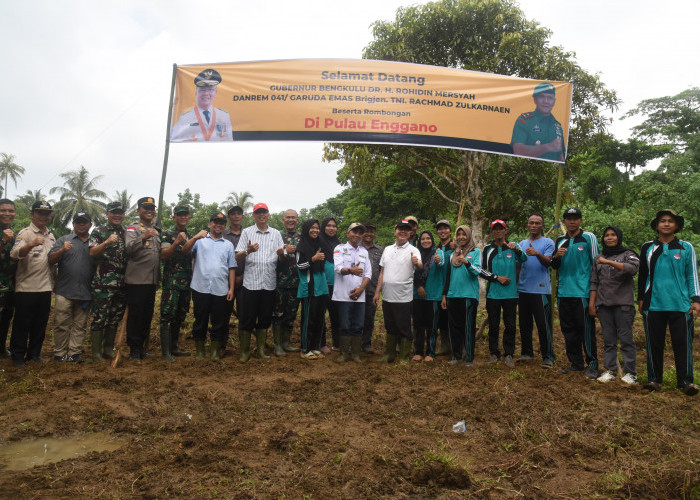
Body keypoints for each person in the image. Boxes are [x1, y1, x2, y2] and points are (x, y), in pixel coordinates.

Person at [638, 209, 700, 395]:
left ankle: (686, 381)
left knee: (683, 343)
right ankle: (654, 379)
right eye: (662, 221)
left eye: (670, 221)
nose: (666, 224)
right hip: (653, 303)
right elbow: (643, 275)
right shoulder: (647, 247)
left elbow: (692, 275)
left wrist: (696, 300)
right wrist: (641, 299)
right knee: (653, 343)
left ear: (676, 226)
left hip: (680, 304)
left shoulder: (685, 247)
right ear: (657, 225)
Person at [551, 207, 600, 379]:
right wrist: (556, 256)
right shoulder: (560, 241)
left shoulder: (588, 238)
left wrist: (595, 293)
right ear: (564, 221)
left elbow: (597, 265)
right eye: (568, 218)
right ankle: (576, 363)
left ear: (580, 220)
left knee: (585, 329)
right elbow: (554, 266)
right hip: (564, 292)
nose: (572, 221)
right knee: (568, 330)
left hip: (583, 292)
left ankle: (592, 364)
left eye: (575, 218)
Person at [589, 226, 639, 384]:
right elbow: (594, 281)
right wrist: (592, 303)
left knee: (626, 340)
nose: (609, 238)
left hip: (623, 305)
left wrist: (609, 262)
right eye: (606, 235)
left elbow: (632, 269)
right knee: (608, 340)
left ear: (619, 237)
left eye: (613, 235)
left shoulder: (628, 254)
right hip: (604, 305)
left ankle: (631, 373)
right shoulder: (598, 257)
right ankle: (610, 370)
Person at [9, 201, 56, 367]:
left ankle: (34, 354)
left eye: (46, 213)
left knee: (40, 324)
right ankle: (18, 356)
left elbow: (52, 261)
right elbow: (15, 254)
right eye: (40, 213)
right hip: (26, 288)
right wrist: (31, 244)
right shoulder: (25, 233)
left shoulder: (50, 235)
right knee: (22, 324)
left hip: (45, 288)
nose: (43, 216)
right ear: (32, 215)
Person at [235, 203, 284, 361]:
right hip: (251, 283)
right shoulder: (247, 232)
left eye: (264, 212)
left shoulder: (276, 234)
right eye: (258, 213)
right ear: (253, 216)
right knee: (247, 318)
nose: (262, 215)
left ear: (269, 215)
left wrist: (281, 254)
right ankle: (244, 352)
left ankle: (261, 351)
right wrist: (249, 250)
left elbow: (282, 258)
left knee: (264, 319)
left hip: (269, 283)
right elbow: (237, 256)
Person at [441, 225, 496, 365]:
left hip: (468, 295)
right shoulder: (453, 253)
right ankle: (456, 356)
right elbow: (448, 275)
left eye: (464, 234)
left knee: (468, 327)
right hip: (453, 295)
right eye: (458, 234)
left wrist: (466, 262)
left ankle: (469, 358)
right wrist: (445, 295)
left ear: (469, 235)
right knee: (454, 327)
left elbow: (477, 271)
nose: (461, 237)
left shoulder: (476, 252)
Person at [48, 212, 95, 363]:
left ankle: (74, 353)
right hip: (64, 290)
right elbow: (50, 259)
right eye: (78, 222)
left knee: (80, 325)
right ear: (73, 224)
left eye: (84, 222)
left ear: (90, 224)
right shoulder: (64, 240)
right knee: (61, 324)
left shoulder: (95, 242)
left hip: (86, 291)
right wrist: (62, 250)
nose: (81, 225)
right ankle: (60, 353)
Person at [374, 220, 422, 363]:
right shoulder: (388, 249)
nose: (403, 232)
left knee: (404, 326)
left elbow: (419, 266)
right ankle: (389, 354)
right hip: (387, 296)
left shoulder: (414, 250)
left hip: (403, 297)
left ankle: (404, 356)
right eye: (400, 229)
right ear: (395, 231)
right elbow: (382, 272)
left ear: (410, 233)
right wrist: (377, 292)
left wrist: (416, 262)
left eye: (406, 230)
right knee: (390, 326)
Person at [190, 212, 236, 359]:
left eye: (222, 223)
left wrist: (231, 288)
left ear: (224, 226)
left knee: (218, 321)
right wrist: (195, 237)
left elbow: (232, 268)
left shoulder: (228, 245)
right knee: (200, 319)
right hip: (200, 287)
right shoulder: (200, 241)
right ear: (210, 224)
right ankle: (200, 350)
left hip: (220, 288)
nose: (218, 225)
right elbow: (186, 251)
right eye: (215, 222)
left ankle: (215, 350)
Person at [482, 220, 527, 367]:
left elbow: (524, 258)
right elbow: (482, 271)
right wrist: (497, 278)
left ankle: (509, 354)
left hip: (511, 294)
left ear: (505, 231)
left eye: (501, 229)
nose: (498, 231)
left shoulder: (513, 246)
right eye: (495, 229)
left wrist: (516, 250)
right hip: (493, 294)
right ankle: (494, 353)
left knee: (510, 325)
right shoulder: (488, 249)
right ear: (492, 232)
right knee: (494, 325)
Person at [159, 205, 201, 361]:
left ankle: (174, 347)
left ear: (189, 218)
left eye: (185, 215)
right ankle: (165, 353)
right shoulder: (167, 234)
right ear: (174, 217)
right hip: (172, 282)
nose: (183, 217)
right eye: (179, 215)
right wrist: (176, 242)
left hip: (187, 282)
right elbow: (164, 255)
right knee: (167, 315)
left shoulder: (191, 235)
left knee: (180, 315)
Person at [89, 201, 128, 362]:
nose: (117, 215)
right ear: (107, 214)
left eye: (120, 212)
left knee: (114, 318)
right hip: (103, 284)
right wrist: (106, 242)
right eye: (114, 212)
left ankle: (107, 349)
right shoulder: (99, 231)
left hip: (121, 284)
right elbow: (92, 252)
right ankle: (96, 354)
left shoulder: (127, 233)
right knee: (100, 317)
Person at [124, 197, 161, 361]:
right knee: (135, 316)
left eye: (152, 208)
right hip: (137, 281)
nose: (149, 211)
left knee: (147, 316)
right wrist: (144, 237)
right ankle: (134, 349)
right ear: (138, 210)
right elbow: (129, 249)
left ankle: (142, 348)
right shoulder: (133, 228)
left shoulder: (157, 230)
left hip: (151, 281)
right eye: (146, 207)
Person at [518, 213, 556, 368]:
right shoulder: (522, 243)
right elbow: (518, 265)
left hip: (541, 290)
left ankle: (548, 356)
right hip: (523, 289)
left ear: (542, 226)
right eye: (531, 223)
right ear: (527, 226)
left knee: (543, 324)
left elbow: (548, 263)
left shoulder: (548, 242)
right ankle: (527, 352)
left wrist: (537, 253)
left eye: (537, 223)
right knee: (524, 323)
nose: (534, 225)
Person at [333, 222, 372, 362]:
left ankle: (356, 354)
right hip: (343, 295)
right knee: (344, 325)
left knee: (358, 325)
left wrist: (361, 289)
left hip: (359, 296)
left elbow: (368, 274)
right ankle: (343, 354)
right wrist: (351, 270)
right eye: (354, 231)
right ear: (347, 233)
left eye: (360, 232)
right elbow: (338, 268)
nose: (357, 235)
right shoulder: (339, 248)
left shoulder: (364, 252)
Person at [296, 219, 330, 359]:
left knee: (319, 318)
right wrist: (313, 259)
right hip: (309, 287)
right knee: (308, 319)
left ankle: (315, 347)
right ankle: (305, 349)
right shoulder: (301, 246)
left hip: (321, 286)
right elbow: (300, 266)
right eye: (312, 228)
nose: (315, 230)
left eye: (317, 228)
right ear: (306, 229)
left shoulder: (320, 244)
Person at [170, 68, 233, 142]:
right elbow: (175, 139)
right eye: (202, 90)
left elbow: (229, 141)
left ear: (215, 93)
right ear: (196, 93)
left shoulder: (224, 116)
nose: (206, 94)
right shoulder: (184, 118)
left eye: (210, 90)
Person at [271, 209, 301, 356]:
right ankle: (277, 345)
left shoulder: (303, 237)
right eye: (288, 217)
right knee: (278, 314)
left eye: (293, 218)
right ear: (283, 220)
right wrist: (285, 252)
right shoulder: (277, 236)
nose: (291, 220)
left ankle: (286, 342)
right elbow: (275, 257)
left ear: (297, 220)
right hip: (279, 283)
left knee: (291, 314)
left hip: (296, 283)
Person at [511, 82, 565, 162]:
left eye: (550, 98)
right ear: (535, 99)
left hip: (552, 172)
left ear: (554, 101)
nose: (546, 101)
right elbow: (518, 150)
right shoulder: (524, 120)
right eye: (542, 97)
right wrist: (548, 147)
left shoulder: (557, 126)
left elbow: (561, 155)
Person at [412, 231, 444, 362]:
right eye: (423, 239)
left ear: (432, 239)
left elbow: (441, 263)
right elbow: (411, 271)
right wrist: (419, 286)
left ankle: (431, 352)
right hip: (417, 294)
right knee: (418, 324)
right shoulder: (415, 253)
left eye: (428, 238)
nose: (426, 241)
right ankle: (418, 351)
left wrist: (438, 260)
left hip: (433, 294)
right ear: (420, 241)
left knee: (432, 326)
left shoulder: (438, 252)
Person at [222, 205, 245, 352]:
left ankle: (243, 347)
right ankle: (221, 346)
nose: (236, 216)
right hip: (224, 282)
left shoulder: (249, 233)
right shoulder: (222, 234)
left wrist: (241, 277)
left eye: (239, 214)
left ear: (242, 216)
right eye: (233, 214)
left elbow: (254, 258)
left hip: (245, 281)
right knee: (223, 315)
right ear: (228, 217)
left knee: (245, 314)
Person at [319, 217, 341, 353]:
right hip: (322, 284)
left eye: (334, 226)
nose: (331, 228)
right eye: (328, 225)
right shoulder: (318, 241)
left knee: (336, 315)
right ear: (323, 227)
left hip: (337, 285)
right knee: (321, 315)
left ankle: (337, 343)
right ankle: (321, 343)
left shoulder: (339, 244)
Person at [361, 222, 383, 354]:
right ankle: (355, 343)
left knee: (369, 318)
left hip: (372, 290)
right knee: (356, 318)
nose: (369, 234)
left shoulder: (380, 250)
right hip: (357, 290)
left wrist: (378, 291)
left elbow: (382, 271)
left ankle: (366, 343)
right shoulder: (356, 248)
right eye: (366, 231)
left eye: (372, 231)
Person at [434, 220, 454, 356]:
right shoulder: (435, 249)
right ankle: (444, 345)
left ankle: (456, 346)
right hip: (438, 289)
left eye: (445, 228)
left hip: (453, 289)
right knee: (441, 318)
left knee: (453, 318)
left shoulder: (455, 247)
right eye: (440, 229)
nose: (442, 231)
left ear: (450, 231)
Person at [0, 199, 17, 358]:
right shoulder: (6, 235)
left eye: (10, 211)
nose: (7, 213)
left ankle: (1, 349)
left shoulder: (12, 232)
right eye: (3, 210)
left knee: (6, 318)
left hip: (9, 285)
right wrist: (3, 240)